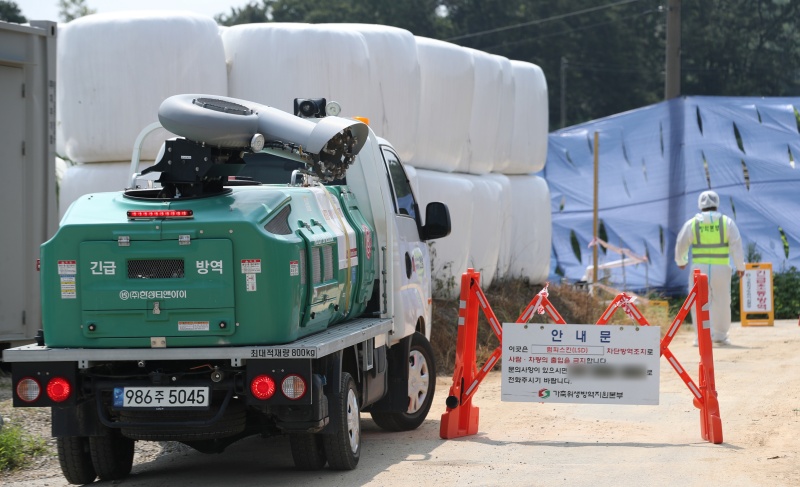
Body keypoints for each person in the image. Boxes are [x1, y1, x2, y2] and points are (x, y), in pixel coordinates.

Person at [675, 190, 745, 346]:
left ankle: (700, 338)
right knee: (722, 301)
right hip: (721, 268)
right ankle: (720, 336)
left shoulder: (692, 223)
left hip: (699, 269)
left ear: (700, 204)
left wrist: (681, 260)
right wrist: (740, 266)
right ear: (717, 203)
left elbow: (681, 243)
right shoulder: (726, 222)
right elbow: (736, 244)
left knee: (699, 302)